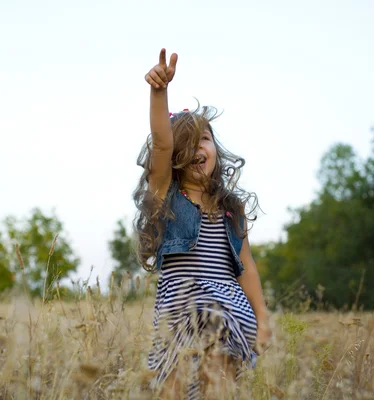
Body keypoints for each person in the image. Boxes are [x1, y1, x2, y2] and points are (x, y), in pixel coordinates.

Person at [132, 48, 272, 399]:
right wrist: (159, 92)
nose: (198, 147)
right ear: (176, 156)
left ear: (215, 149)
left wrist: (263, 319)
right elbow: (162, 143)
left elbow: (247, 268)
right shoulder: (166, 195)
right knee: (172, 387)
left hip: (229, 308)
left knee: (218, 386)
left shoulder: (231, 208)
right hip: (180, 307)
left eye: (205, 139)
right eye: (188, 142)